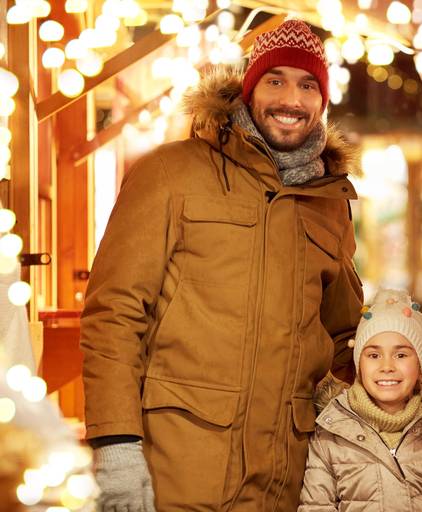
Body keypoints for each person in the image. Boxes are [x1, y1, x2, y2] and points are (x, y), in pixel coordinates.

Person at [80, 19, 366, 512]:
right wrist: (116, 446)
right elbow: (114, 317)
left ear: (322, 102)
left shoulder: (330, 203)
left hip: (285, 479)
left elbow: (344, 339)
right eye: (275, 80)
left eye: (307, 85)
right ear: (248, 89)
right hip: (176, 470)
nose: (290, 100)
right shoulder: (169, 172)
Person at [298, 288, 422, 511]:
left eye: (401, 355)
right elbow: (316, 506)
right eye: (374, 355)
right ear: (359, 365)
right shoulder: (331, 434)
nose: (387, 367)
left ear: (421, 367)